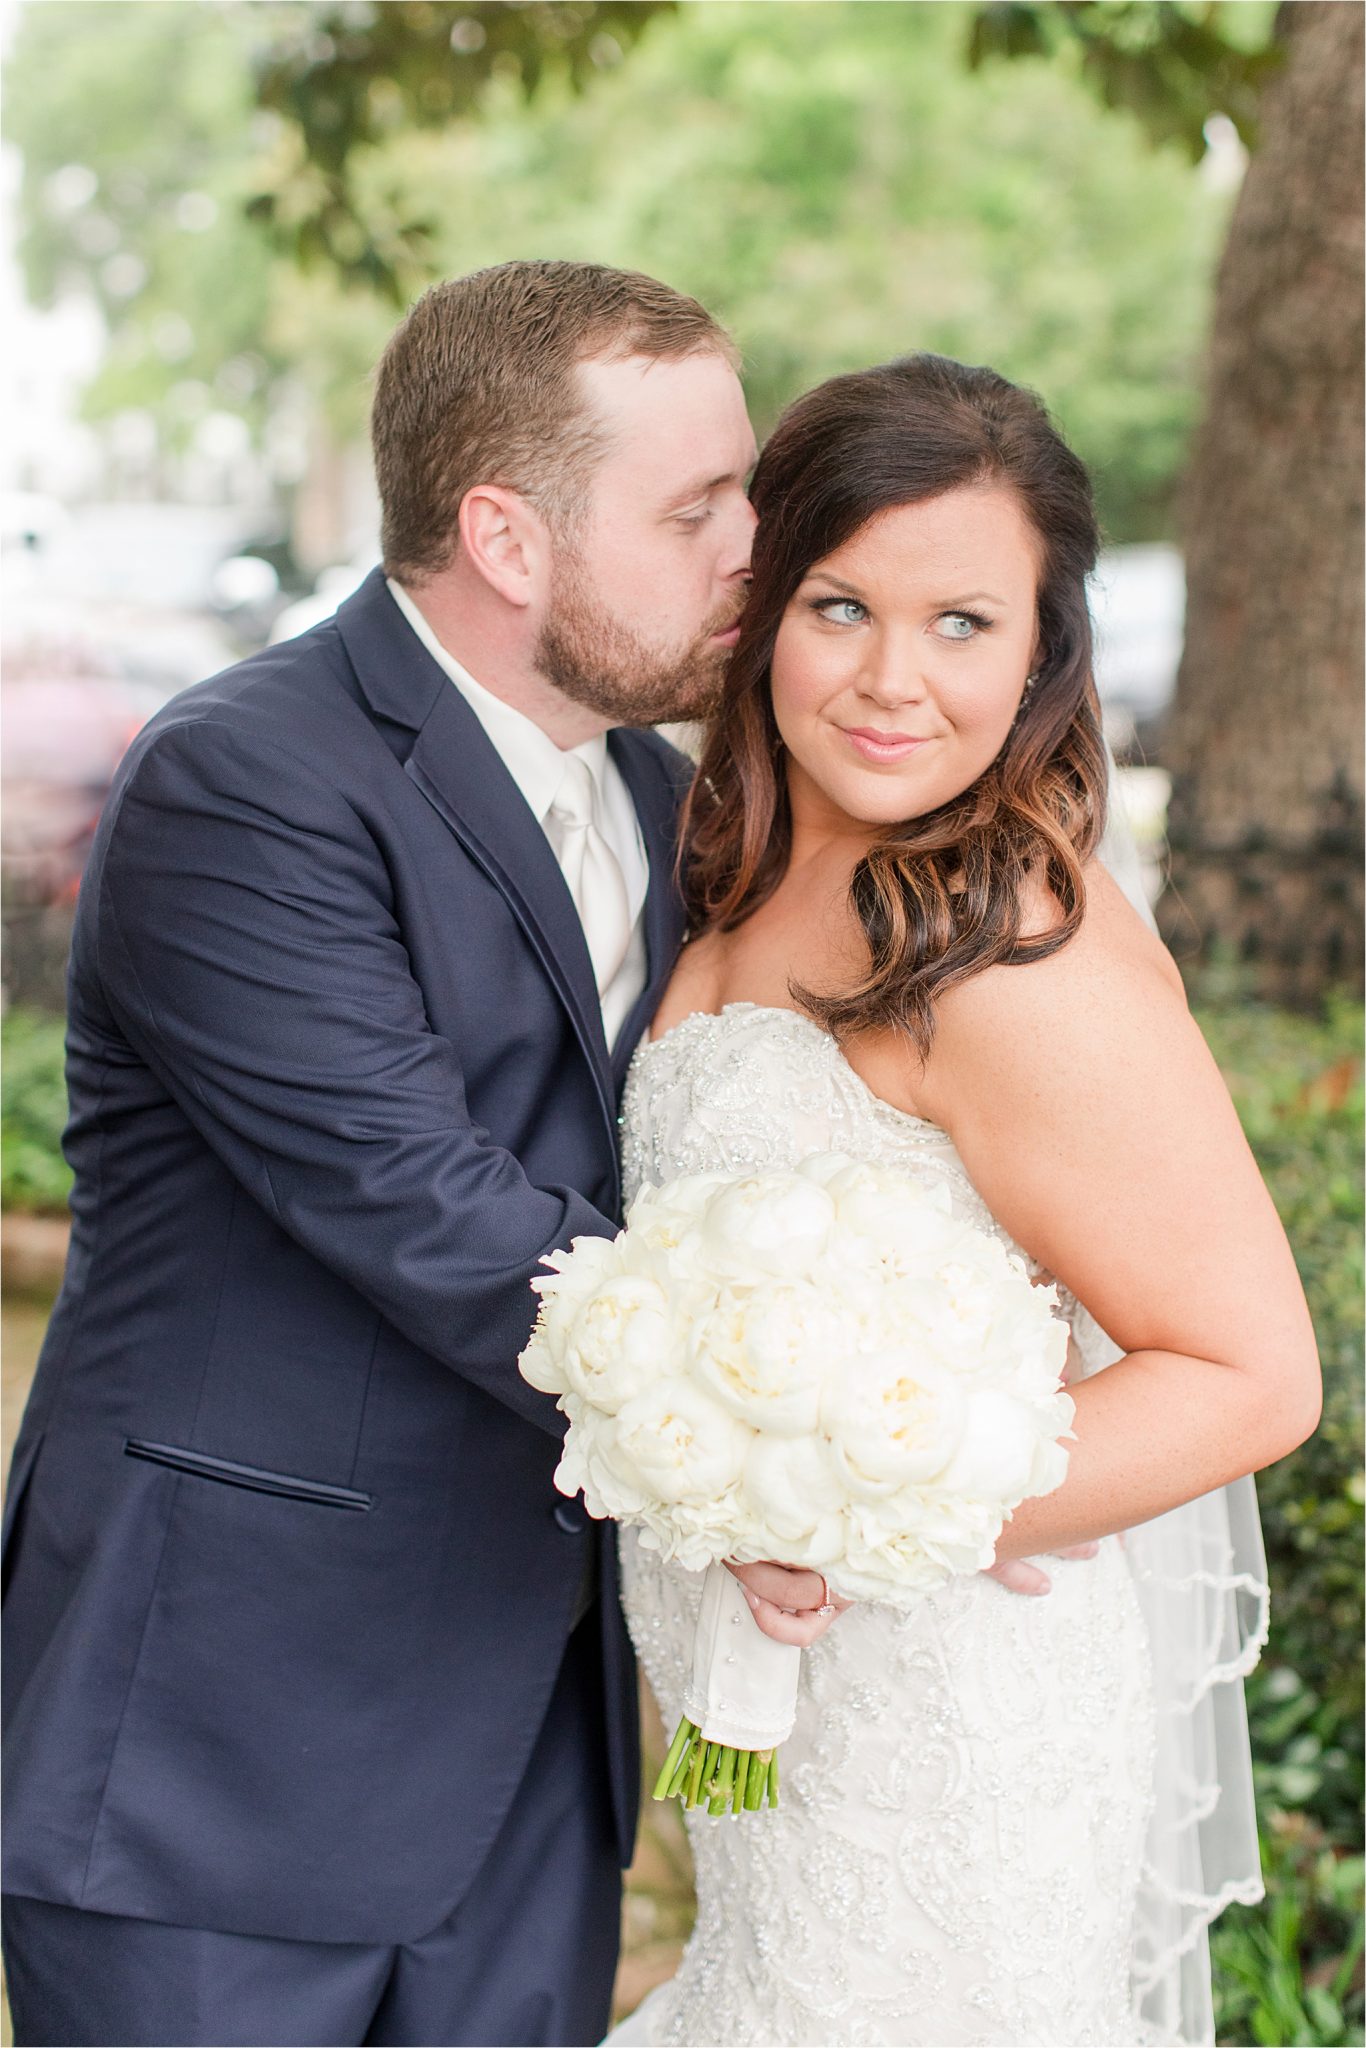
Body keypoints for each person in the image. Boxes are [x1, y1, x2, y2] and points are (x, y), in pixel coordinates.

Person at [1, 259, 798, 2048]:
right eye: (693, 509)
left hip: (528, 1742)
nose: (754, 542)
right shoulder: (244, 780)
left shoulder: (668, 799)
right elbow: (422, 1203)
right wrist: (763, 1452)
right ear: (506, 540)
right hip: (228, 1747)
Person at [609, 354, 1319, 2048]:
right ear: (759, 605)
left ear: (1039, 651)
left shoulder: (1005, 939)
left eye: (960, 625)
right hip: (787, 1746)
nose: (888, 682)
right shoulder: (723, 876)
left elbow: (1249, 1374)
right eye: (840, 605)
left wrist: (858, 1518)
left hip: (954, 1735)